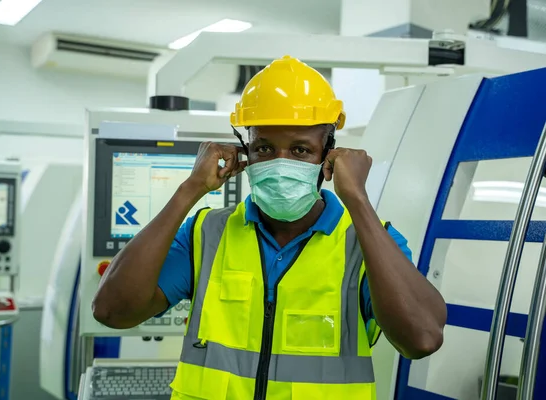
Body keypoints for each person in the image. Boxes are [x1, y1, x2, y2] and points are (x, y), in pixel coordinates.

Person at [93, 55, 447, 399]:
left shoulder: (368, 242)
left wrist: (357, 200)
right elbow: (113, 311)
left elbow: (421, 339)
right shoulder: (205, 234)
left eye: (300, 150)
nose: (279, 164)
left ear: (329, 154)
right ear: (245, 150)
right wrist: (190, 190)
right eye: (263, 147)